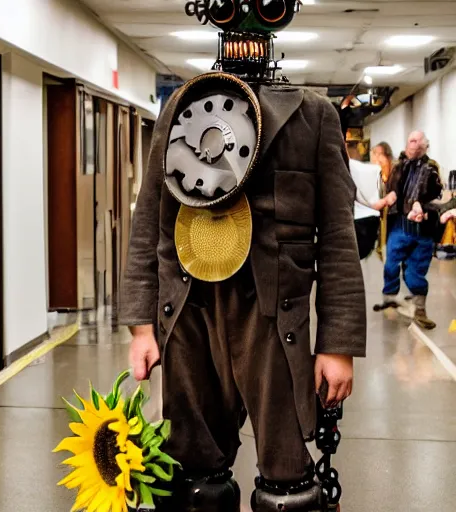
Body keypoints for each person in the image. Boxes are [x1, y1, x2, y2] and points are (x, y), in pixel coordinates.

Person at [120, 2, 366, 511]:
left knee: (288, 486)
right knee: (191, 479)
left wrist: (337, 343)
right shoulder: (181, 108)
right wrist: (141, 325)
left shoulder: (314, 115)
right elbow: (150, 223)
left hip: (275, 317)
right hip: (188, 310)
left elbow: (339, 239)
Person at [377, 131, 443, 329]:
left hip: (422, 230)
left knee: (416, 272)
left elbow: (435, 194)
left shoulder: (431, 170)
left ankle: (420, 309)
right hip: (400, 226)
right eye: (409, 141)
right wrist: (389, 197)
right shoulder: (400, 167)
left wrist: (420, 204)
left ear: (424, 146)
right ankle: (389, 297)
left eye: (415, 141)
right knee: (391, 265)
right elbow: (393, 190)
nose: (410, 144)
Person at [346, 140, 395, 259]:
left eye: (379, 154)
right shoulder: (371, 172)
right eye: (374, 154)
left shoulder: (392, 174)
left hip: (389, 224)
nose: (376, 158)